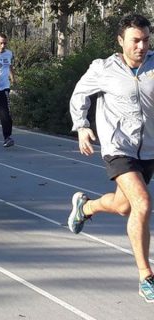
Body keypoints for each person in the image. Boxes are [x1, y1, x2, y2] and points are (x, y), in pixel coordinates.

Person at [68, 13, 154, 303]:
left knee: (122, 206)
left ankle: (86, 206)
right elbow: (80, 94)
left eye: (145, 40)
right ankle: (146, 276)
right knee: (142, 203)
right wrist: (81, 126)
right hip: (118, 147)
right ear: (121, 41)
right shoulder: (105, 69)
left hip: (150, 150)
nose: (141, 46)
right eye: (135, 41)